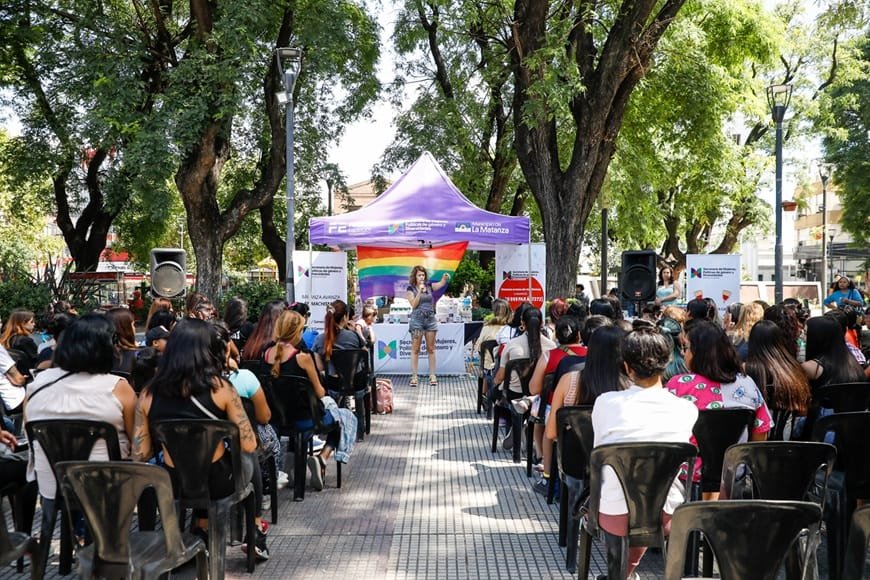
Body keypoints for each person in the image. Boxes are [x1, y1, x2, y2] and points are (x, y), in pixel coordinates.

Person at [133, 318, 259, 553]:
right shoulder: (221, 388)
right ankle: (253, 526)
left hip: (174, 483)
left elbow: (140, 453)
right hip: (218, 482)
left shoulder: (148, 393)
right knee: (248, 459)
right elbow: (249, 444)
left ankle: (200, 526)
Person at [592, 327, 698, 578]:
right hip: (667, 512)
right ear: (668, 362)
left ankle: (623, 574)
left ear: (627, 366)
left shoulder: (605, 403)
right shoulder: (686, 409)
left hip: (612, 511)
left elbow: (599, 453)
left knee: (619, 488)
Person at [25, 313, 137, 544]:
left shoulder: (37, 385)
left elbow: (28, 427)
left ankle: (79, 537)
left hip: (53, 486)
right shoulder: (117, 387)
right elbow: (137, 438)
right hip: (106, 486)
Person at [666, 320, 773, 496]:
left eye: (687, 348)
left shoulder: (678, 386)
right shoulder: (746, 384)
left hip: (687, 477)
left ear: (697, 353)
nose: (685, 355)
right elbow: (760, 435)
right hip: (733, 475)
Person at [540, 323, 627, 495]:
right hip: (618, 464)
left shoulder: (569, 381)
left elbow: (551, 433)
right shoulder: (630, 387)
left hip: (575, 463)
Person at [264, 310, 341, 490]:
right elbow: (320, 392)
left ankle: (291, 466)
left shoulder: (266, 354)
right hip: (304, 419)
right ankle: (322, 458)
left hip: (277, 419)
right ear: (297, 332)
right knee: (340, 420)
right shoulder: (302, 358)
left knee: (298, 425)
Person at [744, 320, 811, 439]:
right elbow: (802, 412)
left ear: (752, 342)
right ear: (779, 341)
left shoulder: (745, 371)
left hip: (752, 444)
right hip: (787, 444)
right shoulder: (792, 370)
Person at [406, 265, 450, 387]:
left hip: (430, 319)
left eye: (423, 275)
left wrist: (444, 278)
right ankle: (414, 376)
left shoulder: (429, 286)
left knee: (431, 348)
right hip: (417, 321)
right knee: (416, 349)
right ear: (415, 276)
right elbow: (413, 305)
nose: (421, 277)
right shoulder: (410, 289)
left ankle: (432, 375)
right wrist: (419, 291)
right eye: (419, 275)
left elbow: (441, 283)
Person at [0, 308, 38, 377]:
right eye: (31, 322)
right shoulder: (26, 341)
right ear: (22, 323)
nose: (34, 324)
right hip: (29, 377)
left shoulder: (5, 340)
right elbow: (37, 362)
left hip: (10, 377)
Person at [106, 307, 142, 376]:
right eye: (133, 325)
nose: (135, 328)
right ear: (126, 328)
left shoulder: (99, 355)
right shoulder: (139, 356)